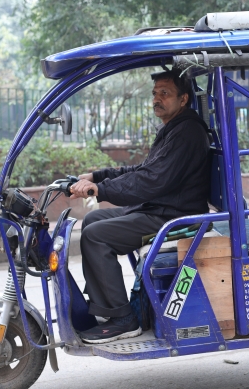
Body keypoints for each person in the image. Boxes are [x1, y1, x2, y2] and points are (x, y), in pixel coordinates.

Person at [69, 69, 211, 343]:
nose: (157, 99)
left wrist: (102, 190)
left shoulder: (187, 133)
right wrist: (98, 177)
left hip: (173, 216)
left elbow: (150, 181)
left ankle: (123, 319)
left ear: (183, 99)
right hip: (160, 207)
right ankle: (104, 303)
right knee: (92, 222)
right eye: (155, 93)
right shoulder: (174, 128)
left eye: (165, 93)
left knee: (96, 236)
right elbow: (144, 169)